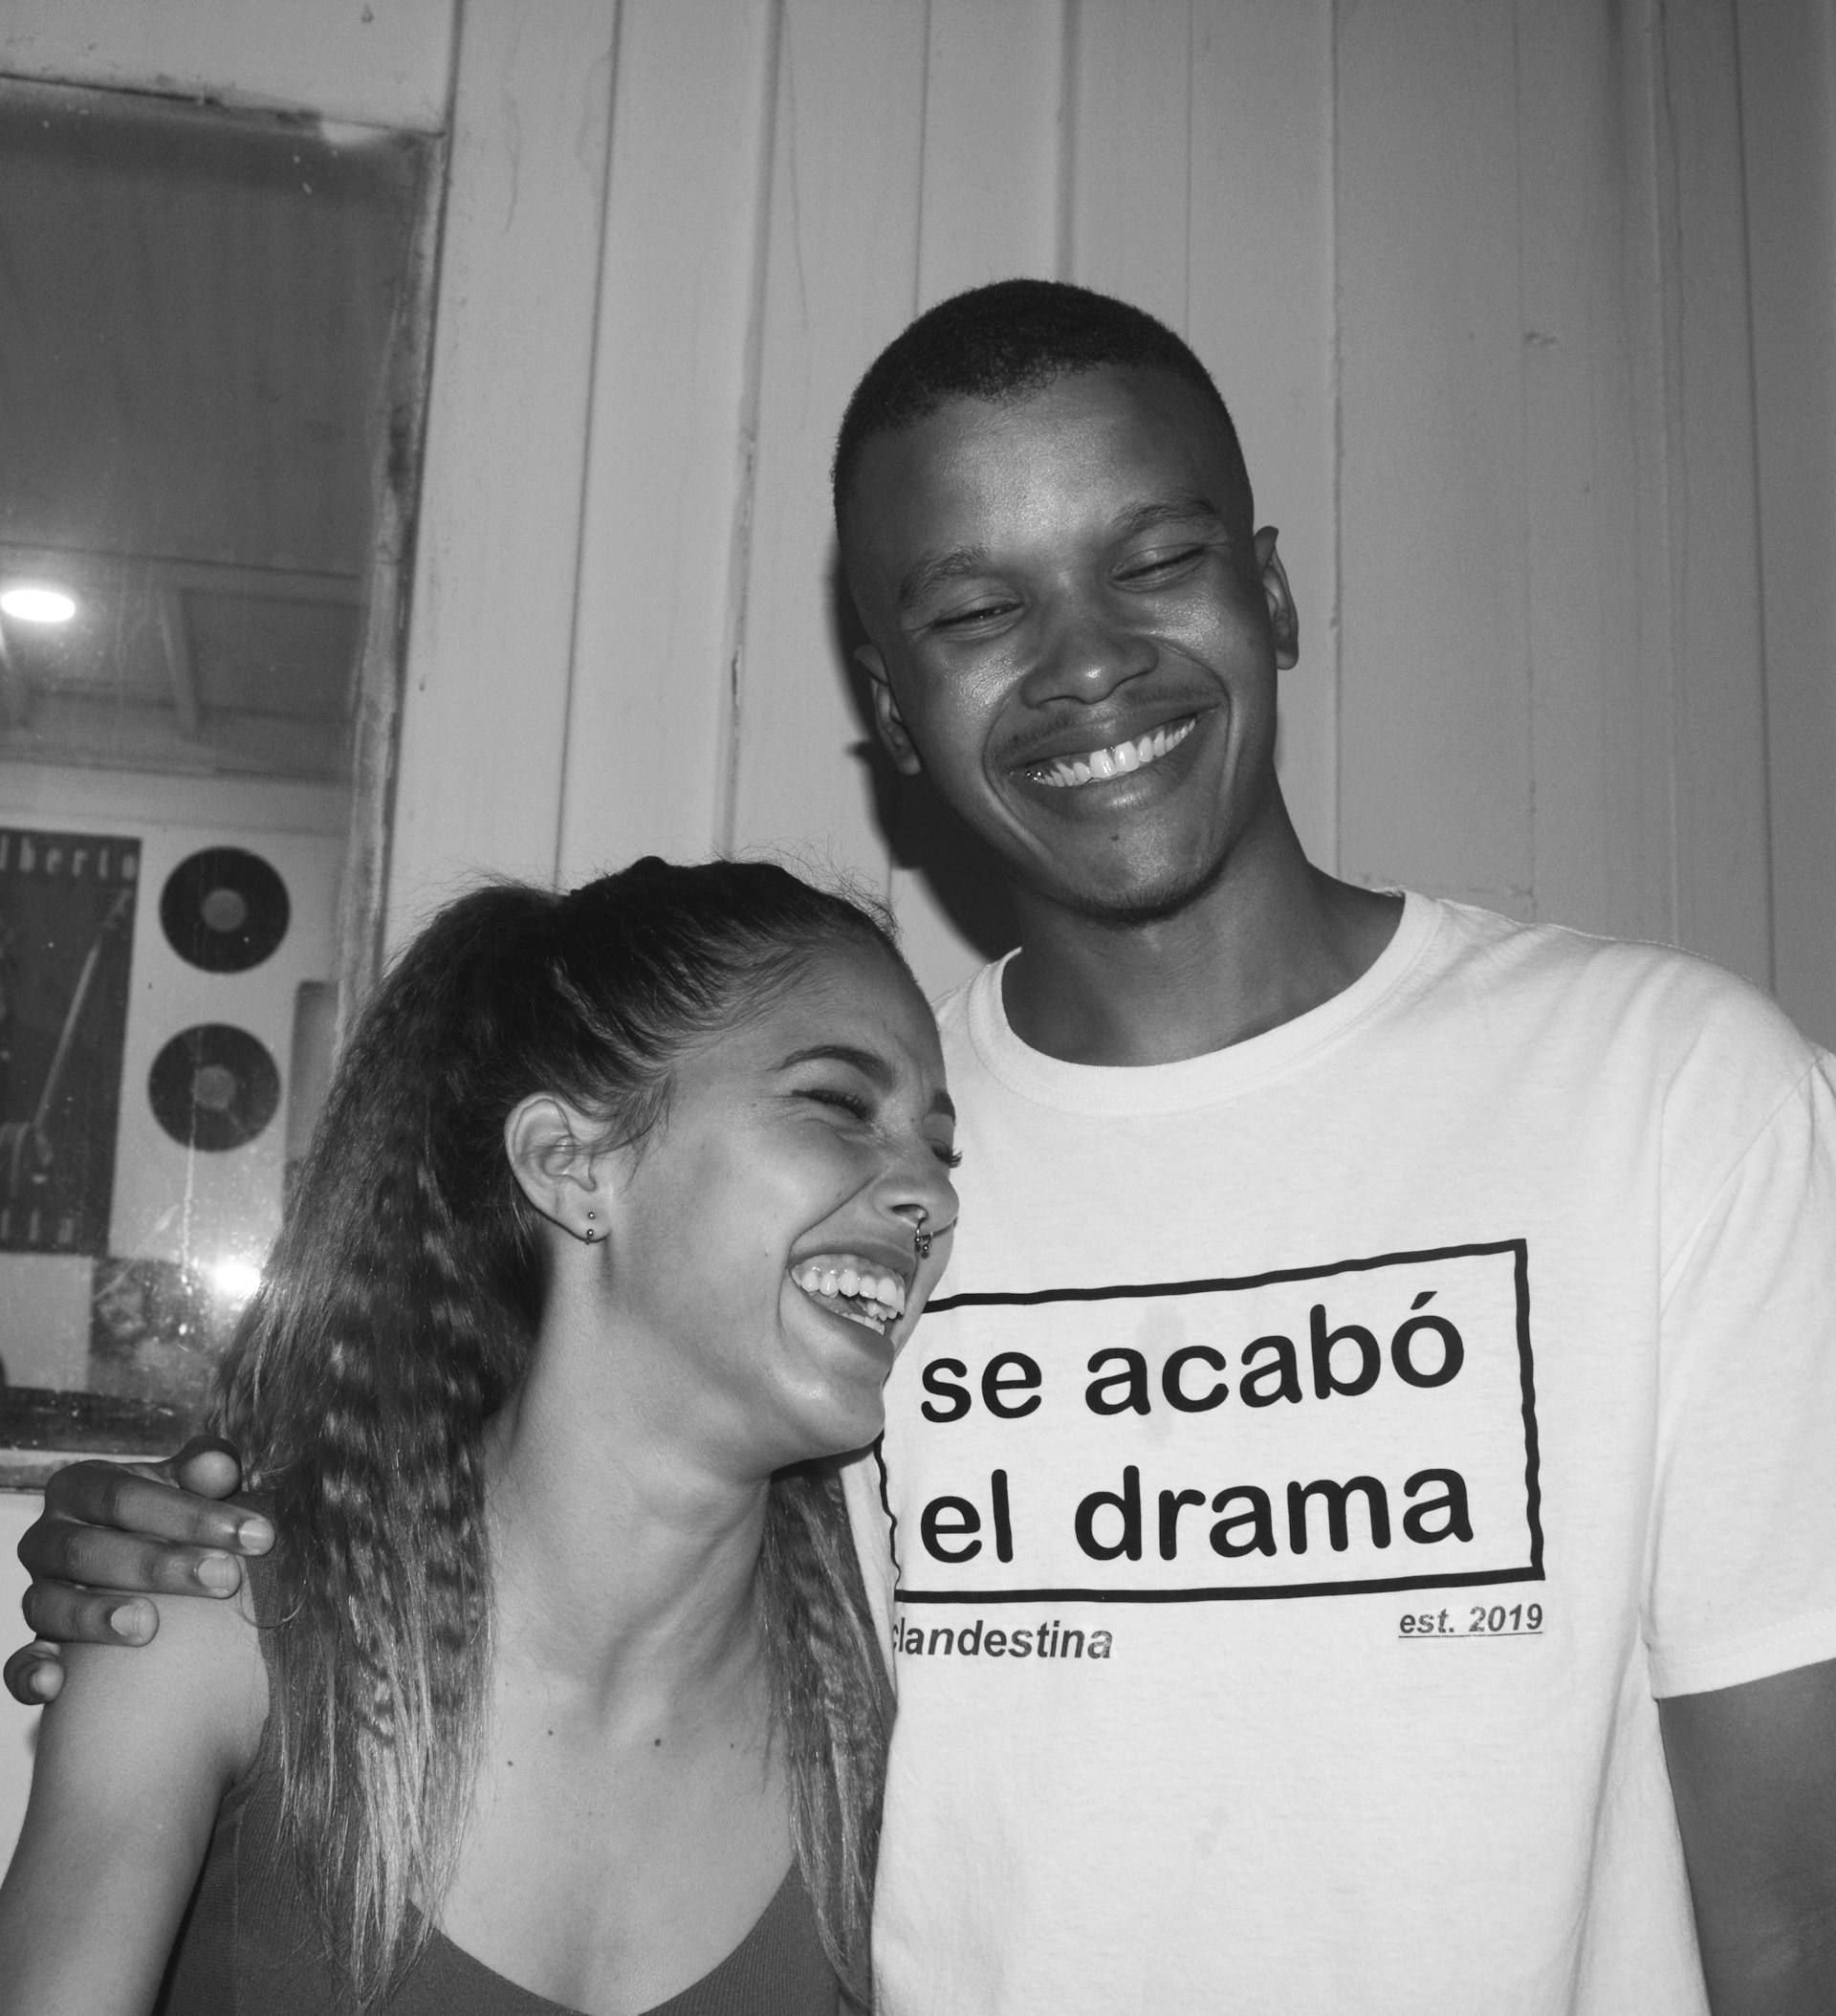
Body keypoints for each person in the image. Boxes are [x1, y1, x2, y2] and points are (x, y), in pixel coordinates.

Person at [11, 280, 1836, 2014]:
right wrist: (188, 1550)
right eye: (976, 615)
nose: (1090, 662)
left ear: (1270, 589)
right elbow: (522, 1458)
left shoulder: (1671, 1091)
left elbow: (1789, 1908)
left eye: (1159, 559)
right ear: (891, 705)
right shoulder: (843, 1182)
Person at [0, 857, 959, 2013]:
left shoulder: (890, 1703)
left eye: (941, 1147)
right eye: (838, 1103)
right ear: (570, 1163)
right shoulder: (209, 1630)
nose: (931, 1195)